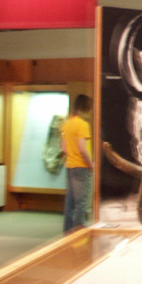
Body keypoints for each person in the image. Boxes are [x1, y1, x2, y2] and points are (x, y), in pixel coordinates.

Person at [62, 94, 93, 232]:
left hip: (70, 166)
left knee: (70, 202)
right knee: (82, 202)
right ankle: (79, 232)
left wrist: (72, 156)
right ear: (86, 108)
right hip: (81, 167)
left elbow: (64, 148)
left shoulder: (67, 124)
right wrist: (91, 164)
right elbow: (82, 148)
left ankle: (67, 231)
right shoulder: (83, 125)